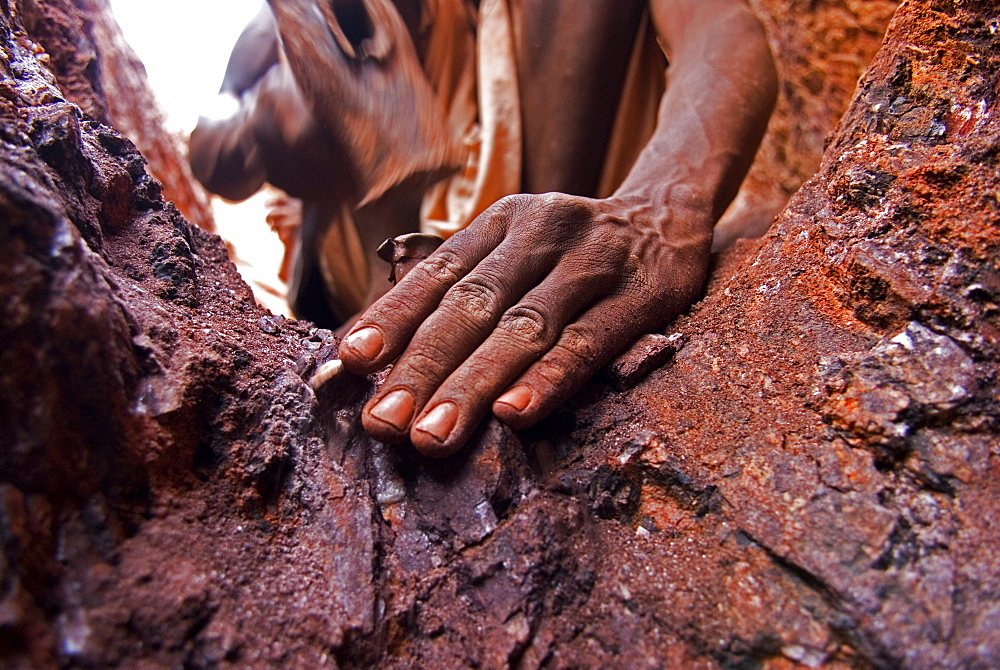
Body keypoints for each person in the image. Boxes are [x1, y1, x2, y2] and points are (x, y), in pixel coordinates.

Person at [194, 0, 778, 459]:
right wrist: (253, 122)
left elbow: (720, 33)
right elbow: (214, 140)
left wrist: (656, 210)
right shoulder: (292, 16)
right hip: (365, 288)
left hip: (570, 237)